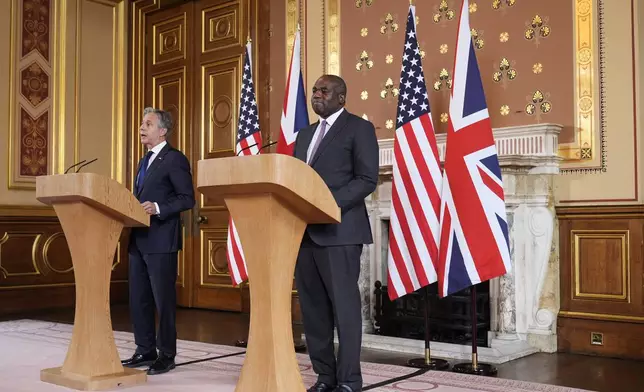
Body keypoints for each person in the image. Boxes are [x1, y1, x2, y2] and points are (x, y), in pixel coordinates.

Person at [293, 75, 379, 392]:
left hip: (340, 233)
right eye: (315, 90)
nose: (317, 95)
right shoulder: (304, 135)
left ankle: (349, 381)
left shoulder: (359, 128)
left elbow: (367, 179)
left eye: (324, 91)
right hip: (304, 234)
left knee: (344, 311)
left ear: (341, 97)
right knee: (314, 312)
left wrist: (328, 203)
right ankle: (325, 377)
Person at [121, 107, 195, 375]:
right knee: (139, 298)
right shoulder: (144, 160)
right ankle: (145, 349)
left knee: (162, 300)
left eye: (148, 124)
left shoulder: (174, 159)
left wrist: (159, 207)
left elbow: (187, 198)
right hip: (138, 238)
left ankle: (166, 354)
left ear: (162, 130)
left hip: (161, 240)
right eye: (142, 123)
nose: (142, 128)